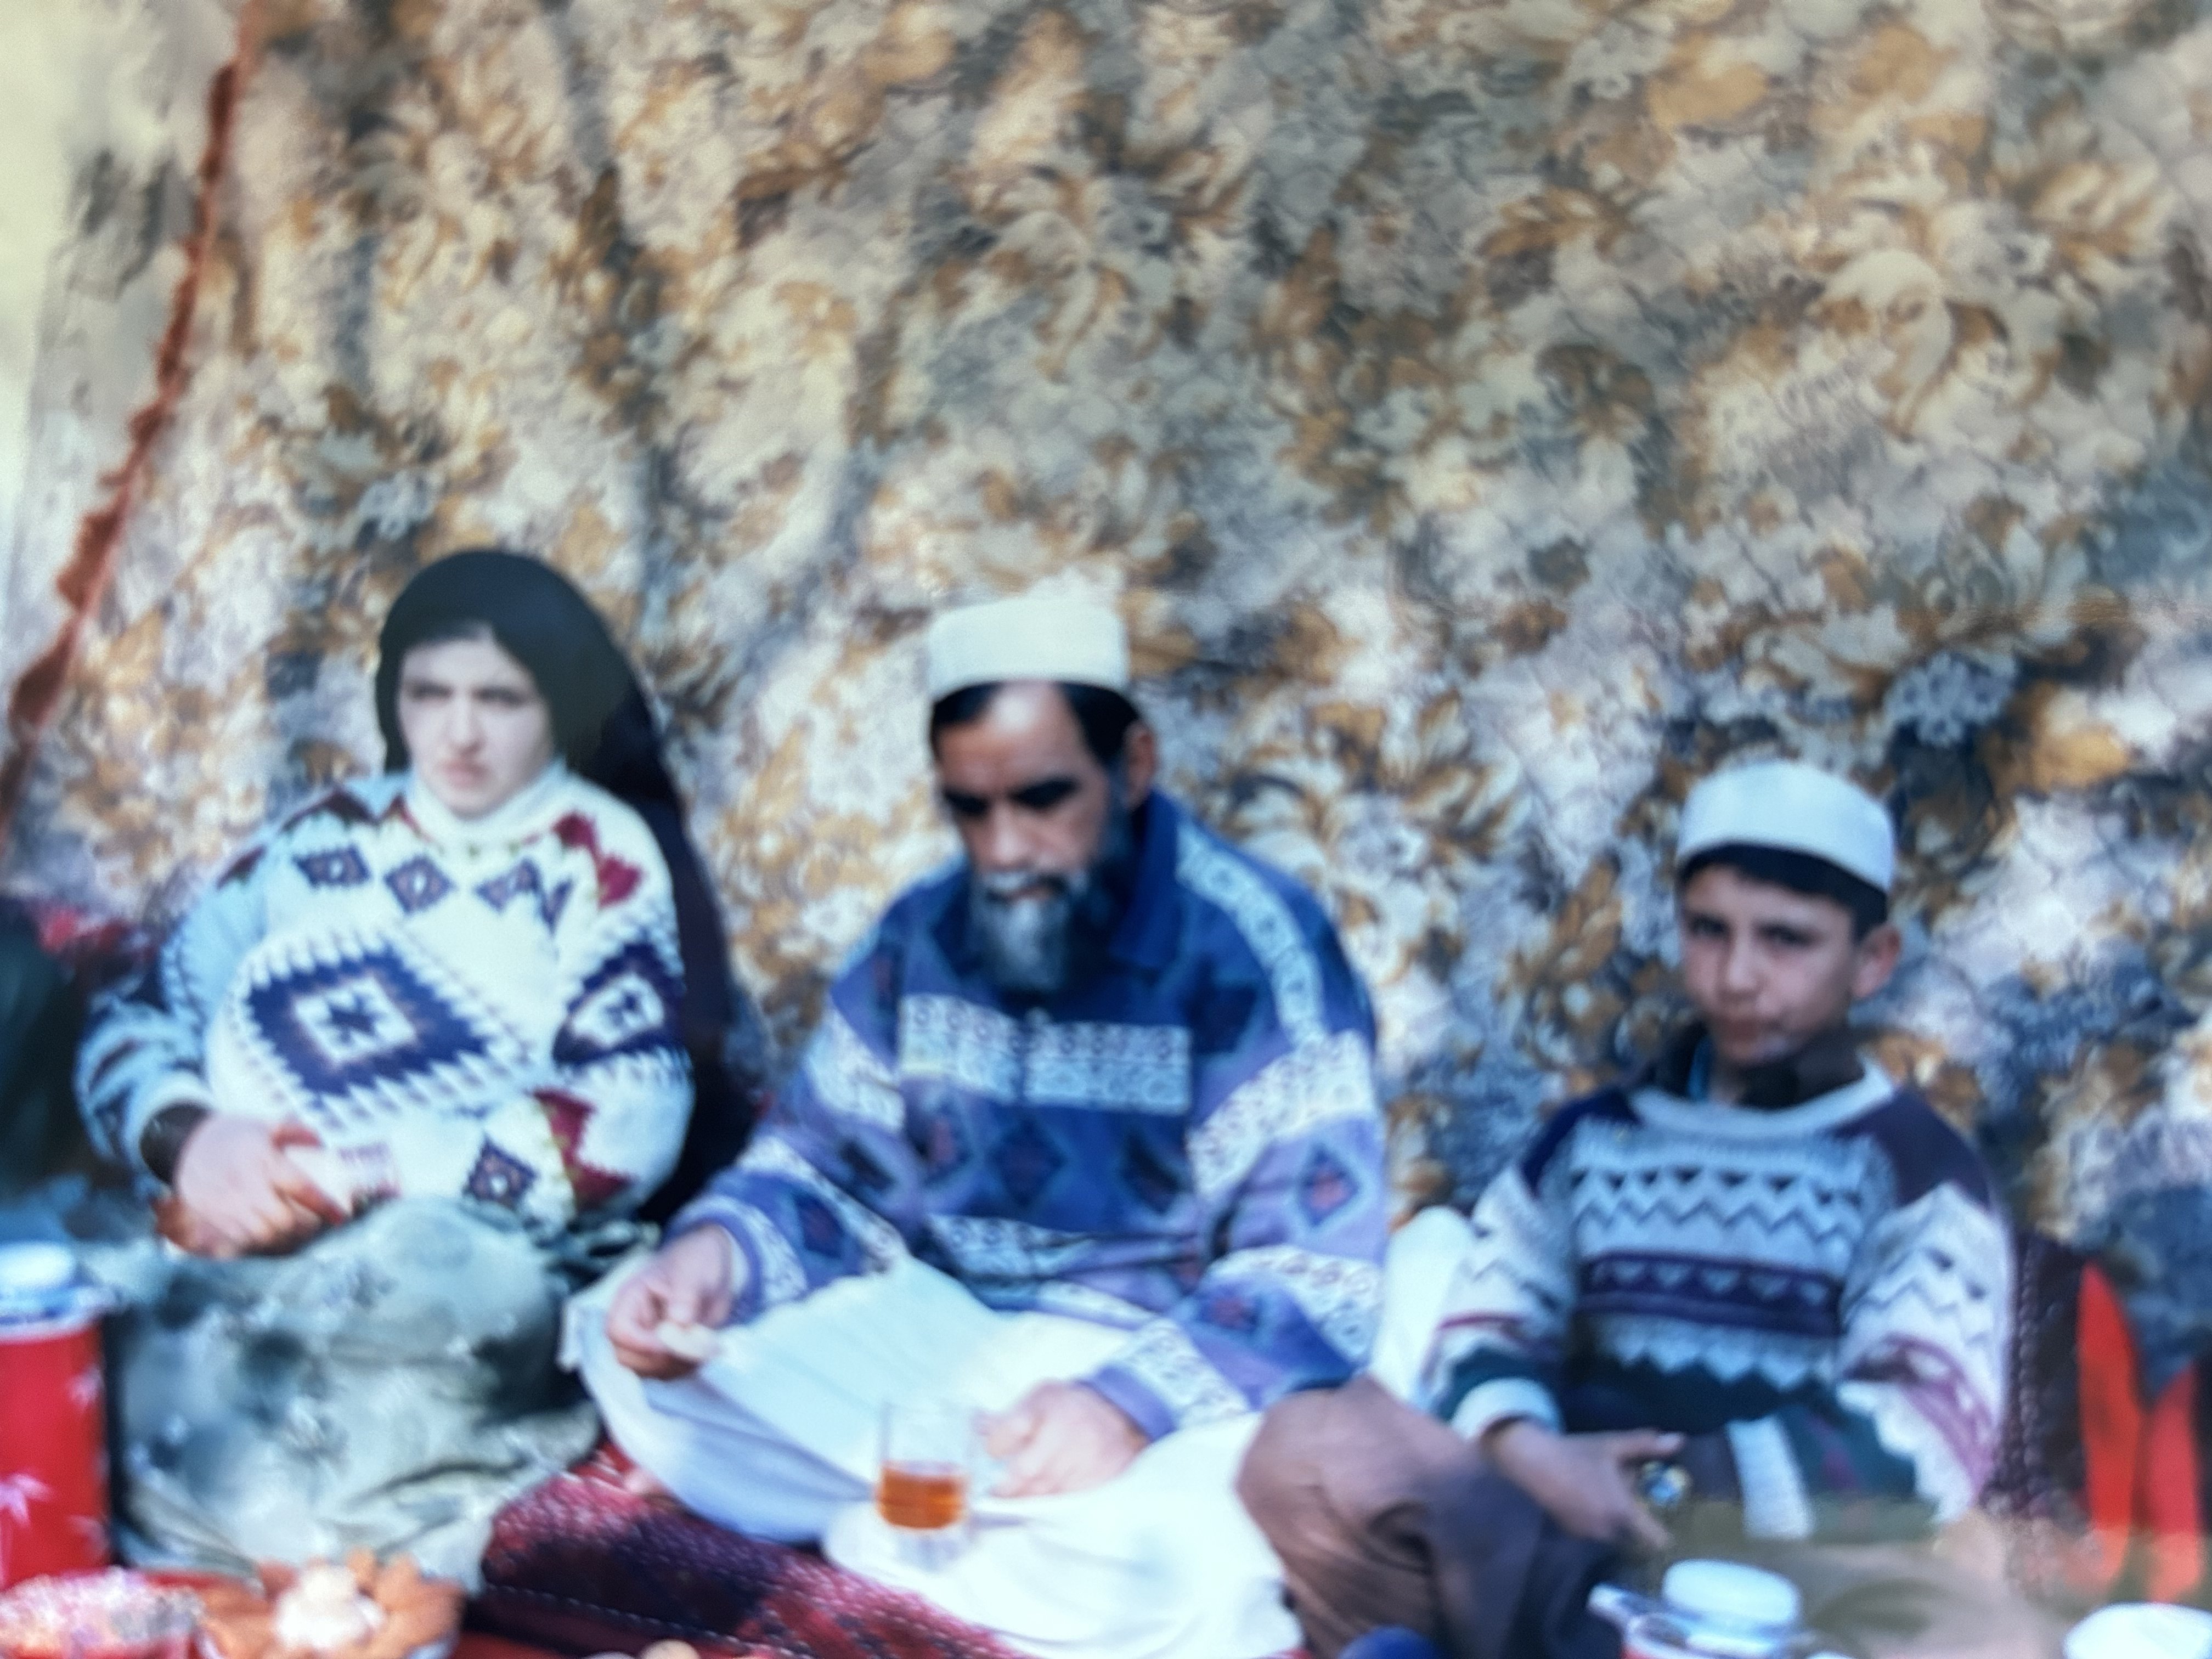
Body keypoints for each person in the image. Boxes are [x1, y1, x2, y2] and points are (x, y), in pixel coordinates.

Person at [569, 590, 1389, 1659]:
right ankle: (945, 1542)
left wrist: (1122, 1407)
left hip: (1146, 1358)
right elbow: (827, 1175)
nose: (1006, 850)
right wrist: (715, 1257)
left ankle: (894, 1535)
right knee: (617, 1334)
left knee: (1190, 1570)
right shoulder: (921, 939)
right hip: (940, 1339)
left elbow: (1311, 1270)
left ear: (1134, 769)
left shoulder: (1255, 953)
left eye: (1044, 799)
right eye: (971, 809)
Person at [1238, 759, 2066, 1659]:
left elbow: (1923, 1437)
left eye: (1786, 941)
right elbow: (1486, 1328)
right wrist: (1529, 1449)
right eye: (1709, 931)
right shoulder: (1591, 1139)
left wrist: (1669, 1488)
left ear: (1872, 961)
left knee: (1981, 1639)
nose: (1739, 976)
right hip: (1558, 1523)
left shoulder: (1918, 1171)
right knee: (1308, 1449)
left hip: (1796, 1565)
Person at [72, 549, 742, 1579]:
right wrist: (190, 1140)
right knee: (55, 1271)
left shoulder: (598, 859)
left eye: (500, 699)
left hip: (440, 1239)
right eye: (430, 694)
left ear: (557, 706)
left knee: (458, 1294)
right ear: (395, 696)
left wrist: (344, 1180)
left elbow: (626, 1121)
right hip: (228, 1210)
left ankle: (211, 1499)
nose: (460, 732)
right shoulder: (322, 835)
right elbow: (133, 1022)